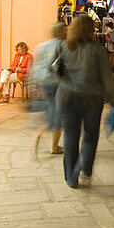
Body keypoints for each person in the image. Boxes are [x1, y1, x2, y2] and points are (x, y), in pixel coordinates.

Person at [55, 14, 114, 188]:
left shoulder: (63, 46)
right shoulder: (97, 49)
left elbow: (54, 69)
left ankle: (70, 177)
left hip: (66, 96)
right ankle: (83, 169)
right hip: (91, 98)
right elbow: (106, 76)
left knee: (70, 136)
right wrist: (113, 99)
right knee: (90, 136)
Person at [29, 22, 67, 158]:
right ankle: (50, 143)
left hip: (44, 82)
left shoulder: (41, 46)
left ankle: (54, 145)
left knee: (54, 110)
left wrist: (35, 86)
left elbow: (35, 67)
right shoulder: (62, 45)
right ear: (60, 32)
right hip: (57, 82)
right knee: (57, 113)